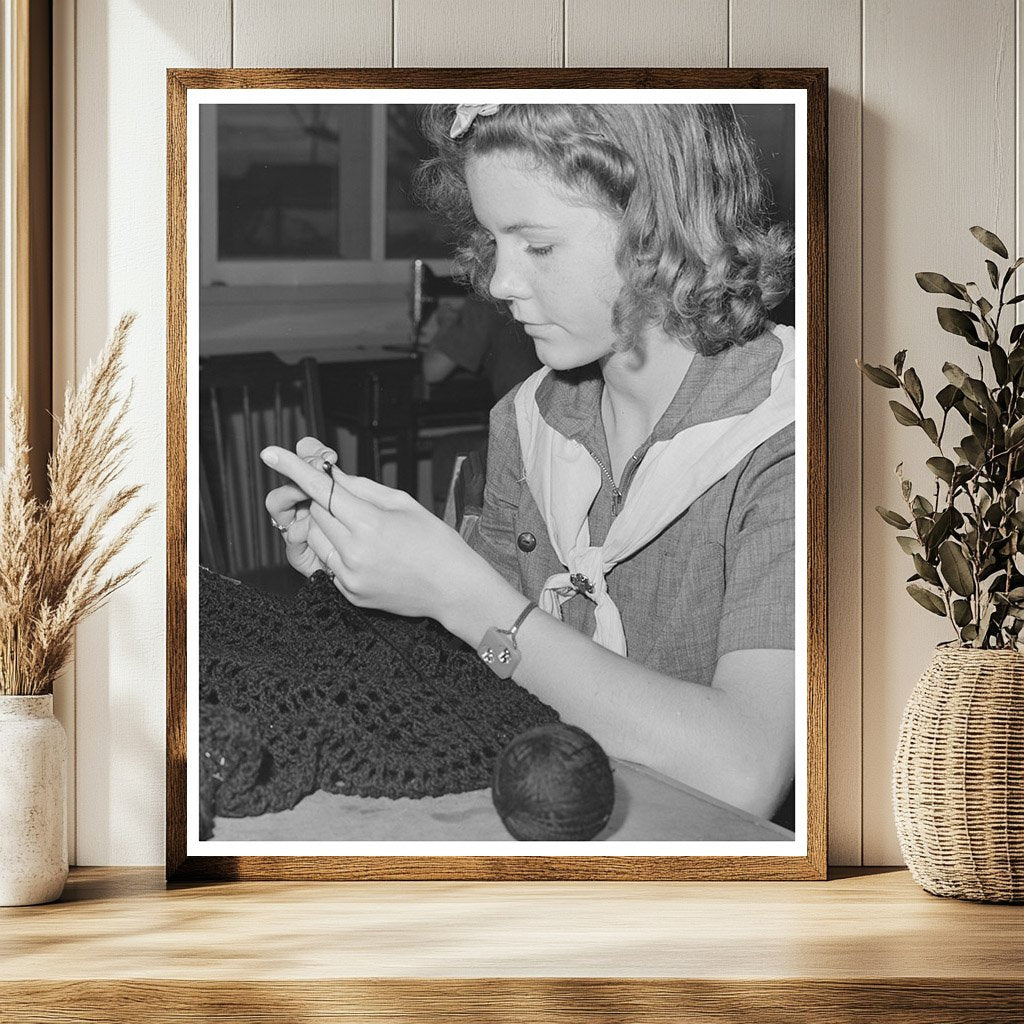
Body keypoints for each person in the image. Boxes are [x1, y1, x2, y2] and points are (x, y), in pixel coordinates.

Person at [261, 102, 797, 821]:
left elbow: (744, 771)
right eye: (493, 240)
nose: (499, 283)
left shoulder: (787, 432)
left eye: (537, 247)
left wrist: (460, 591)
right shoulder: (528, 416)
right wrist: (366, 565)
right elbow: (490, 670)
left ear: (663, 234)